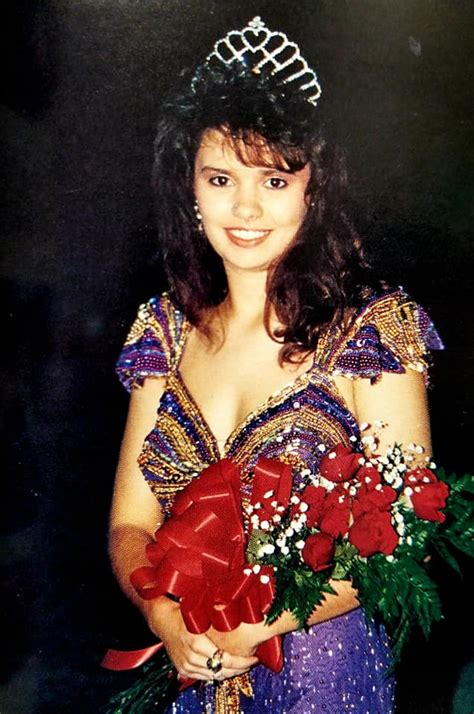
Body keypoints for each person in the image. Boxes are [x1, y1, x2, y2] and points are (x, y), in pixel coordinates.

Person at [108, 17, 442, 713]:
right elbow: (129, 525)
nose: (246, 206)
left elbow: (408, 530)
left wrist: (265, 623)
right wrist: (161, 615)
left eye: (275, 179)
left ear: (313, 192)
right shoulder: (162, 333)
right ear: (191, 191)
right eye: (220, 178)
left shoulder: (369, 330)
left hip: (322, 676)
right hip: (194, 669)